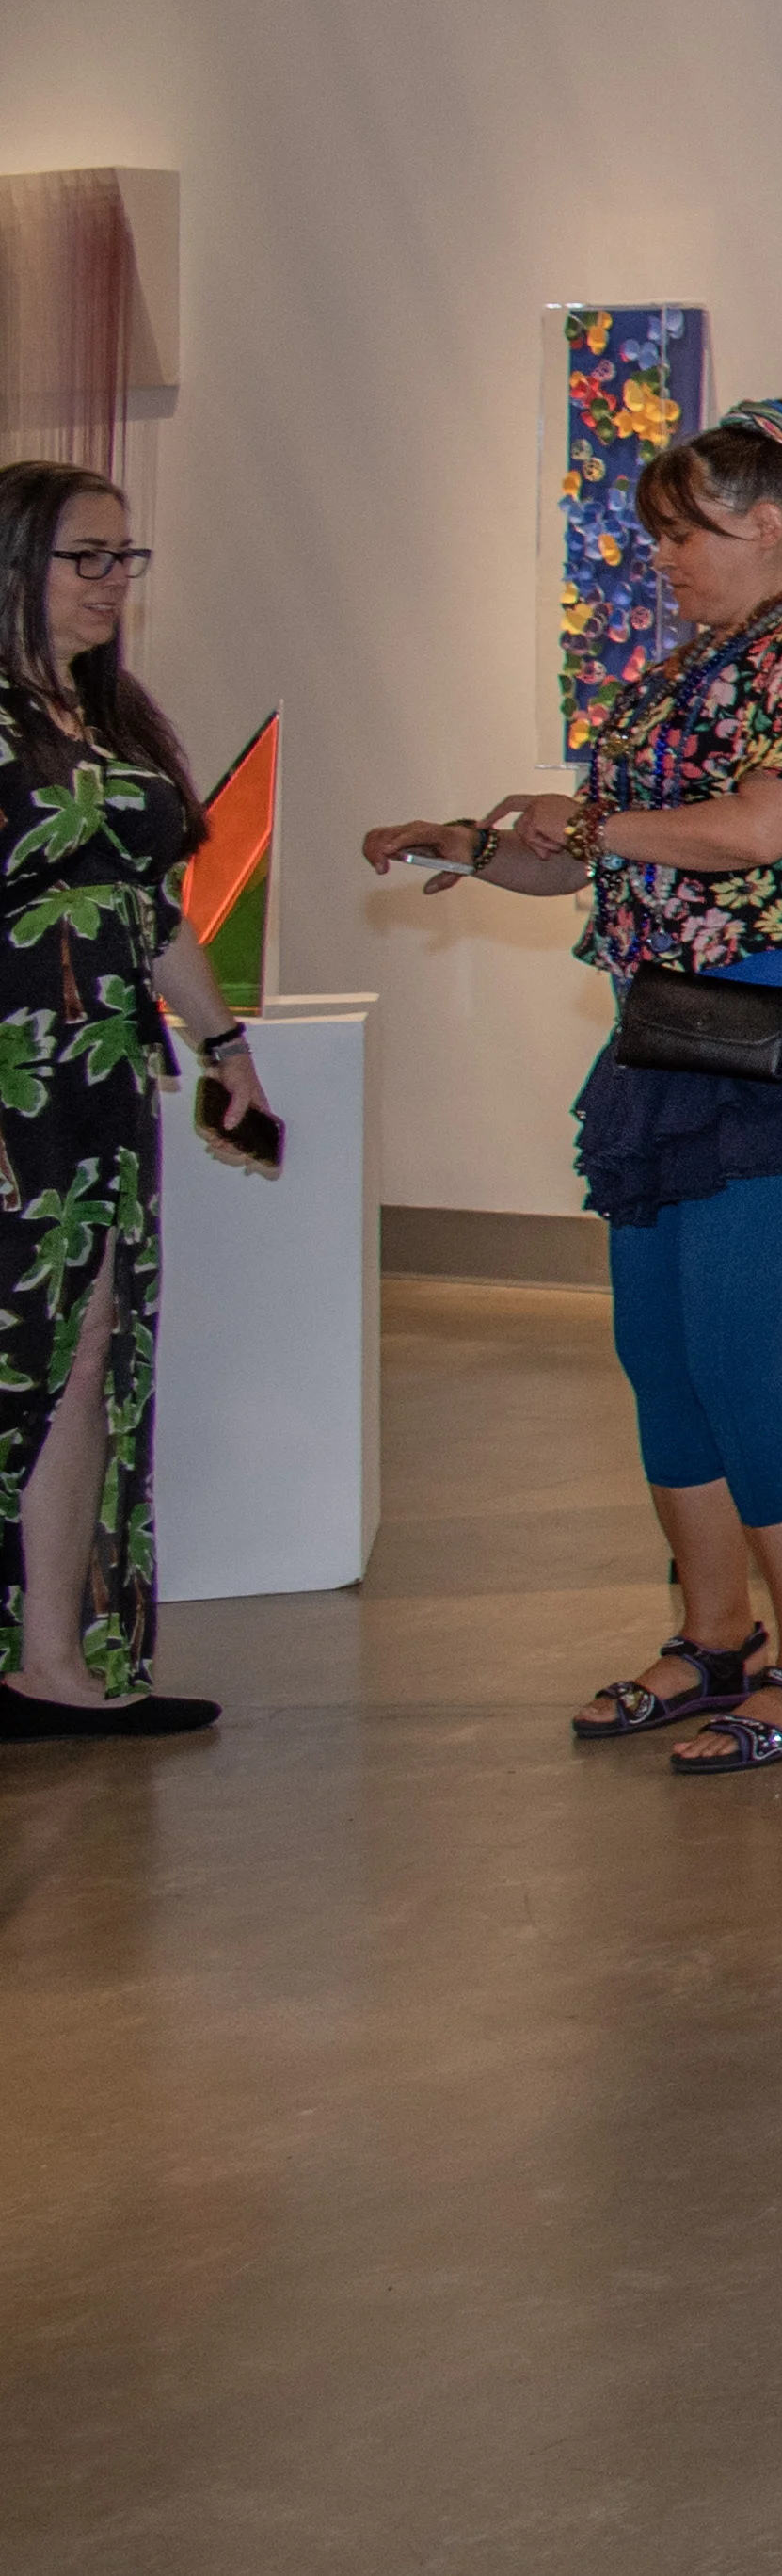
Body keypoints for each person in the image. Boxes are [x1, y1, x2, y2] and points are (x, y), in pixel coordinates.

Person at [365, 396, 782, 1774]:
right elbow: (605, 857)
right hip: (669, 1035)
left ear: (779, 522)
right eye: (661, 533)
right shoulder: (692, 662)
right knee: (659, 1358)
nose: (667, 556)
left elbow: (755, 829)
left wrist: (600, 825)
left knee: (739, 1355)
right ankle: (717, 1634)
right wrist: (480, 844)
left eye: (692, 529)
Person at [0, 463, 265, 1743]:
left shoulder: (102, 720)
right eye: (84, 558)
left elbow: (148, 911)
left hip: (99, 1085)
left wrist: (223, 1047)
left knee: (84, 1360)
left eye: (124, 559)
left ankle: (50, 1660)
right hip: (11, 1085)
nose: (112, 583)